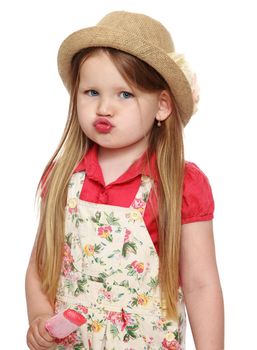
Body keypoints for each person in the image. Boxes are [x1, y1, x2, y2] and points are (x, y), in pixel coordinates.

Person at [25, 11, 224, 350]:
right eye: (91, 92)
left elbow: (201, 284)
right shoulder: (64, 177)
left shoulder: (178, 185)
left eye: (125, 94)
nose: (104, 108)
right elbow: (40, 267)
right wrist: (39, 317)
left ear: (162, 105)